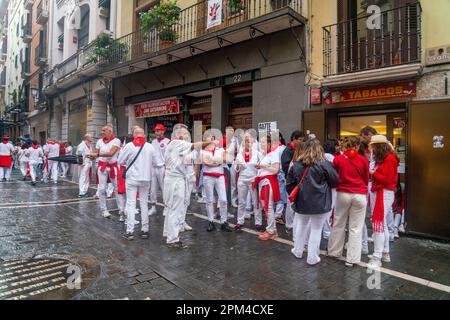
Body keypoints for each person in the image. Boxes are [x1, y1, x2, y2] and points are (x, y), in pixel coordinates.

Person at [287, 139, 338, 266]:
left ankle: (297, 251)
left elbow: (289, 185)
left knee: (301, 226)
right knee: (316, 229)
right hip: (320, 202)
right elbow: (335, 181)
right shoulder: (325, 164)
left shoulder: (296, 165)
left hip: (302, 201)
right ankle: (312, 257)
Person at [163, 124, 214, 248]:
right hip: (176, 181)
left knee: (171, 208)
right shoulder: (176, 143)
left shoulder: (174, 145)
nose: (187, 136)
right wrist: (208, 142)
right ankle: (173, 239)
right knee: (175, 209)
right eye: (185, 134)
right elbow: (194, 146)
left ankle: (168, 232)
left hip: (173, 179)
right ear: (178, 135)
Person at [327, 136, 369, 267]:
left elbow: (334, 176)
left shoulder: (338, 159)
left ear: (345, 146)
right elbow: (366, 178)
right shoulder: (363, 160)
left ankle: (334, 252)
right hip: (359, 194)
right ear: (357, 147)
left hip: (343, 193)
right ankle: (352, 259)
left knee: (339, 223)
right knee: (356, 228)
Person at [367, 135, 399, 268]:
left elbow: (386, 179)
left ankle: (377, 257)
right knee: (382, 225)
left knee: (378, 225)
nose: (372, 149)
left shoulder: (389, 159)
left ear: (378, 147)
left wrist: (372, 173)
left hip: (383, 193)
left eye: (373, 146)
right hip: (381, 192)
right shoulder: (386, 158)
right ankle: (384, 253)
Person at [119, 128, 155, 241]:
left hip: (132, 178)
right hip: (146, 178)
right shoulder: (150, 146)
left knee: (131, 203)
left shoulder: (129, 146)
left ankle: (130, 231)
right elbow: (154, 162)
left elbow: (120, 161)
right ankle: (145, 230)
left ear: (134, 135)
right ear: (144, 135)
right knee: (144, 203)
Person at [200, 134, 234, 232]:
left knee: (223, 199)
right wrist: (217, 162)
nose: (211, 140)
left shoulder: (220, 150)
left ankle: (224, 221)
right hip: (208, 176)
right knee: (209, 200)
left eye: (212, 138)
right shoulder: (203, 151)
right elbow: (204, 161)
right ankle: (211, 221)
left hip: (219, 176)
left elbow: (225, 159)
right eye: (208, 139)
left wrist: (213, 161)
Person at [253, 134, 281, 241]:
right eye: (261, 142)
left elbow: (276, 170)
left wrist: (262, 166)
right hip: (262, 182)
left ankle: (271, 231)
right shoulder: (265, 155)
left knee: (268, 207)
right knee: (266, 207)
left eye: (263, 142)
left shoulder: (273, 154)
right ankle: (271, 229)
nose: (261, 143)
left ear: (269, 144)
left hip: (268, 182)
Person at [90, 126, 121, 219]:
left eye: (104, 130)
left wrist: (97, 154)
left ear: (110, 131)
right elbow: (96, 152)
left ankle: (121, 208)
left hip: (112, 167)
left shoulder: (116, 140)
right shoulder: (99, 141)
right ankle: (104, 209)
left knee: (116, 188)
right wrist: (91, 156)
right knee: (102, 189)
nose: (102, 132)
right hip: (102, 166)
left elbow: (111, 153)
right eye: (102, 130)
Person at [233, 132, 263, 231]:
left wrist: (258, 175)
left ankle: (258, 222)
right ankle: (239, 221)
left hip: (253, 179)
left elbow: (261, 167)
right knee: (242, 201)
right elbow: (236, 169)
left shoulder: (257, 154)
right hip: (242, 179)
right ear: (243, 143)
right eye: (246, 142)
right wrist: (237, 164)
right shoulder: (239, 154)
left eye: (249, 142)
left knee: (256, 201)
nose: (248, 144)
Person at [149, 124, 170, 216]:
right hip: (153, 168)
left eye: (158, 130)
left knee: (164, 188)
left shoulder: (168, 142)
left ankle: (166, 207)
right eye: (155, 131)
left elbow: (169, 156)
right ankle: (153, 206)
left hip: (162, 167)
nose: (156, 132)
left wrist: (167, 168)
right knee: (152, 189)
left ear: (163, 131)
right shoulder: (153, 142)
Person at [322, 139, 339, 239]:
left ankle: (326, 230)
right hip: (332, 187)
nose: (339, 147)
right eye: (337, 146)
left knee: (326, 209)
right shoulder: (333, 159)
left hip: (322, 186)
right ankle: (327, 232)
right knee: (331, 209)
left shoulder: (320, 157)